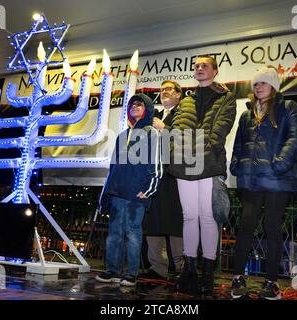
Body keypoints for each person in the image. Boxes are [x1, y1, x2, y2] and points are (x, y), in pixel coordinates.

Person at [230, 66, 297, 300]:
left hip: (277, 180)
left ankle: (271, 282)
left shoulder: (288, 107)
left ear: (273, 86)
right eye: (255, 84)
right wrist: (236, 165)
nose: (258, 87)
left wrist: (278, 165)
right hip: (251, 181)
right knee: (245, 227)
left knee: (272, 228)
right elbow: (239, 144)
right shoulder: (246, 114)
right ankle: (237, 277)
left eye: (263, 83)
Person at [168, 55, 237, 294]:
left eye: (204, 65)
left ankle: (207, 275)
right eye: (195, 65)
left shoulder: (226, 97)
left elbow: (222, 127)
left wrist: (205, 150)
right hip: (184, 162)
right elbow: (176, 128)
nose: (198, 68)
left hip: (209, 162)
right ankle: (189, 271)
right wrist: (174, 151)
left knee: (207, 217)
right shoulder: (186, 100)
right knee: (189, 216)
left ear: (215, 71)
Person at [96, 93, 162, 286]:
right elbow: (113, 167)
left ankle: (131, 273)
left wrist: (149, 189)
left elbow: (156, 163)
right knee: (114, 233)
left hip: (137, 192)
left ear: (147, 109)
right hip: (117, 192)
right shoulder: (122, 135)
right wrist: (106, 193)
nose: (134, 106)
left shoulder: (152, 132)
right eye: (132, 104)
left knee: (133, 233)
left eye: (139, 104)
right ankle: (112, 270)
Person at [141, 80, 184, 280]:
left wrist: (164, 127)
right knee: (153, 220)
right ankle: (157, 267)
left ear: (178, 94)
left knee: (175, 221)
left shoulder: (183, 114)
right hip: (153, 174)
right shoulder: (154, 116)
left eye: (169, 89)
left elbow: (186, 139)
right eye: (162, 90)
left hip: (174, 174)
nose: (164, 92)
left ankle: (181, 267)